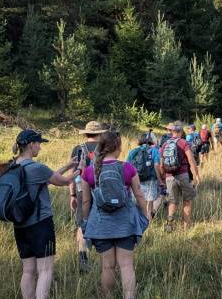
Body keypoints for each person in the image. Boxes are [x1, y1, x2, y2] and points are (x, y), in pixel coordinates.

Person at [12, 129, 80, 299]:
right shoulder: (37, 167)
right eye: (38, 144)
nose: (40, 148)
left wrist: (68, 165)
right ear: (30, 145)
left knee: (28, 270)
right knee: (45, 270)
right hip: (40, 224)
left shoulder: (12, 166)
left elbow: (48, 176)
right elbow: (63, 181)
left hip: (20, 224)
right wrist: (80, 169)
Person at [81, 131, 149, 299]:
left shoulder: (89, 171)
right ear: (118, 147)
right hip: (126, 224)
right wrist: (146, 215)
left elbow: (86, 202)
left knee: (107, 267)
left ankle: (107, 296)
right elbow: (139, 194)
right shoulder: (127, 167)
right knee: (126, 266)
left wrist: (85, 221)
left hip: (100, 225)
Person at [68, 121, 107, 272]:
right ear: (100, 133)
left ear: (86, 133)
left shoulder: (77, 149)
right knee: (103, 220)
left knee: (81, 223)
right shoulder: (105, 147)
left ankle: (83, 257)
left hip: (80, 188)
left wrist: (72, 194)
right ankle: (104, 256)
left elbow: (72, 174)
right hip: (101, 189)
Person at [158, 121, 201, 231]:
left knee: (172, 201)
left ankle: (169, 223)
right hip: (183, 175)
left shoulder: (165, 144)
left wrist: (164, 177)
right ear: (181, 132)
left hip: (169, 177)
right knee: (187, 200)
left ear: (172, 132)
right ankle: (185, 228)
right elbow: (191, 160)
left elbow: (161, 164)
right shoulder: (184, 143)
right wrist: (196, 175)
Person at [127, 133, 164, 218]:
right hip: (150, 181)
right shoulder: (154, 151)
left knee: (136, 205)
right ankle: (148, 226)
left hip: (135, 181)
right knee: (149, 207)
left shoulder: (133, 151)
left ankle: (137, 225)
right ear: (151, 140)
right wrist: (160, 180)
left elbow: (127, 167)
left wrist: (128, 183)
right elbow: (156, 166)